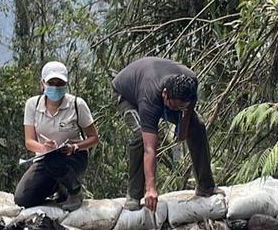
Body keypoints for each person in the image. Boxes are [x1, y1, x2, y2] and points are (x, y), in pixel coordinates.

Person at [112, 56, 221, 212]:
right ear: (164, 94)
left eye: (180, 107)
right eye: (174, 106)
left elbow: (187, 115)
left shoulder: (190, 83)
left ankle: (206, 186)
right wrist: (151, 188)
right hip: (126, 95)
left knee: (197, 127)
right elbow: (150, 148)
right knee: (139, 137)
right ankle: (134, 195)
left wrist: (183, 131)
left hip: (157, 87)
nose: (176, 110)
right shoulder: (149, 96)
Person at [14, 61, 99, 211]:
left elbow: (93, 138)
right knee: (23, 198)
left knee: (55, 160)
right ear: (42, 84)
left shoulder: (77, 105)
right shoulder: (32, 105)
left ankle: (74, 191)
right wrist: (43, 148)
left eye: (59, 83)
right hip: (44, 159)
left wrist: (75, 146)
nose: (55, 87)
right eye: (51, 83)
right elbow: (29, 141)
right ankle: (58, 186)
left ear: (65, 85)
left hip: (73, 158)